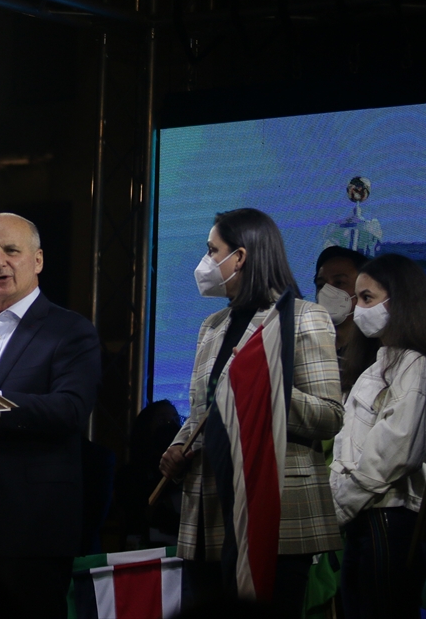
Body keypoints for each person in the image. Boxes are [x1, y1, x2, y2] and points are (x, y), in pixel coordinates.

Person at [159, 208, 343, 616]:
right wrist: (178, 447)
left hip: (275, 512)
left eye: (213, 250)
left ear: (239, 257)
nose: (206, 261)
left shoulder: (304, 318)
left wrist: (265, 393)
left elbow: (330, 415)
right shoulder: (212, 326)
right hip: (209, 510)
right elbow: (204, 410)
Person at [0, 213, 101, 619]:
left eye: (11, 251)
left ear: (38, 260)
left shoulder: (70, 331)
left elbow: (70, 409)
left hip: (30, 526)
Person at [330, 253, 426, 619]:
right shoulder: (373, 365)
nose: (359, 308)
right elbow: (347, 445)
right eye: (358, 298)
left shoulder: (414, 364)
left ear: (400, 301)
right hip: (362, 517)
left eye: (368, 298)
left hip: (388, 518)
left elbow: (395, 451)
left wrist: (341, 504)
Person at [313, 246, 375, 395]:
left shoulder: (376, 355)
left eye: (339, 283)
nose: (327, 292)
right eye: (321, 285)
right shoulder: (307, 348)